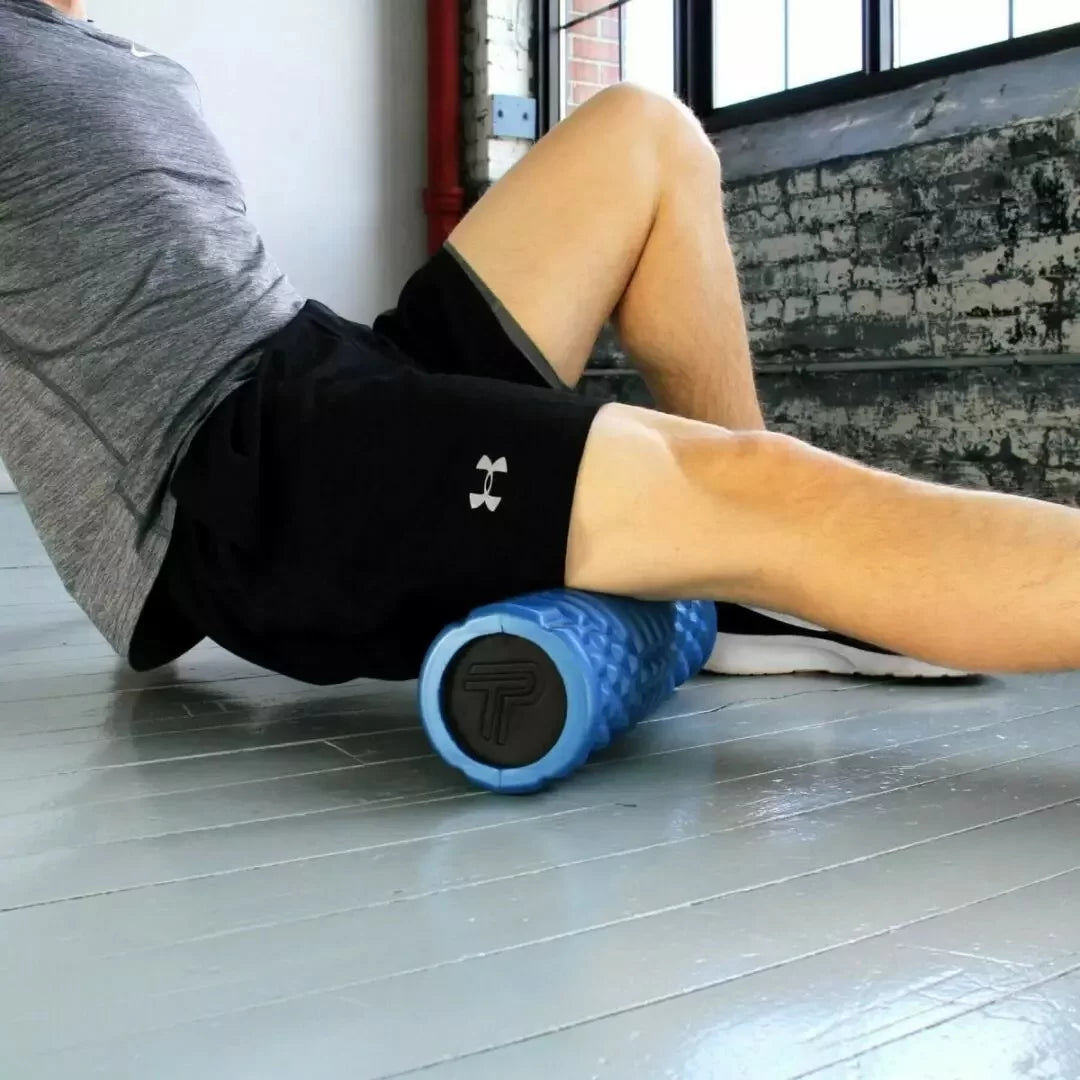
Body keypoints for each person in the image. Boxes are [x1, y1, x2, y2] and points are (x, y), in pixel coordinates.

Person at [3, 0, 1077, 691]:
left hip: (326, 371)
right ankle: (754, 527)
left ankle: (748, 576)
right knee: (767, 490)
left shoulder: (98, 46)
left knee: (646, 132)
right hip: (246, 485)